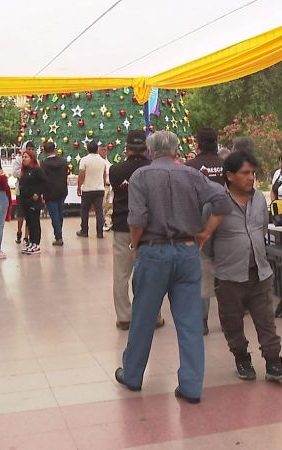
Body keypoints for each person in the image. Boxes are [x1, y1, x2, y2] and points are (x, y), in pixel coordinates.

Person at [115, 131, 231, 404]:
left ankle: (132, 375)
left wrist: (135, 246)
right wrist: (205, 233)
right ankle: (191, 386)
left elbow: (137, 219)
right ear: (176, 151)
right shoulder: (192, 175)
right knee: (190, 322)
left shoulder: (141, 177)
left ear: (150, 151)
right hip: (188, 252)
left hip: (153, 251)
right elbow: (223, 201)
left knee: (143, 318)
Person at [212, 151, 282, 382]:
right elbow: (206, 239)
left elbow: (262, 228)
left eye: (253, 173)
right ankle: (241, 358)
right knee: (232, 322)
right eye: (245, 173)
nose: (251, 178)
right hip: (229, 275)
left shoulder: (259, 199)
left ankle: (273, 362)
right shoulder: (217, 202)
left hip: (260, 272)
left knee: (266, 321)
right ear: (230, 175)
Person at [109, 130, 165, 331]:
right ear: (147, 149)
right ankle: (153, 316)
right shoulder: (155, 170)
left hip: (122, 227)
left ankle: (124, 317)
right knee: (151, 274)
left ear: (126, 149)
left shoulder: (115, 171)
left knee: (121, 274)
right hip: (149, 228)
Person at [186, 128, 225, 336]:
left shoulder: (189, 167)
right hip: (225, 225)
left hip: (200, 227)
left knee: (203, 272)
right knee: (226, 273)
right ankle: (227, 319)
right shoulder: (226, 165)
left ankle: (202, 321)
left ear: (198, 144)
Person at [19, 149, 47, 255]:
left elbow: (44, 182)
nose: (24, 159)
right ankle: (31, 242)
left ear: (32, 158)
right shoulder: (24, 171)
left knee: (35, 222)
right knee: (29, 222)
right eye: (23, 157)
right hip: (25, 200)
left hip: (34, 201)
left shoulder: (37, 170)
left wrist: (38, 193)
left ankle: (36, 244)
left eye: (26, 157)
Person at [76, 141, 107, 238]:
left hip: (87, 190)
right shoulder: (102, 161)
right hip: (99, 189)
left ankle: (84, 231)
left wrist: (79, 186)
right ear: (97, 149)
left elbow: (81, 175)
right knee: (99, 211)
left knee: (84, 211)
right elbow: (104, 175)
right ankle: (100, 232)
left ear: (87, 149)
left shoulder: (84, 160)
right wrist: (102, 185)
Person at [41, 142, 68, 246]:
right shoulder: (63, 162)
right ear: (55, 149)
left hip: (49, 193)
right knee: (60, 214)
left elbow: (43, 179)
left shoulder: (44, 164)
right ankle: (59, 233)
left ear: (44, 151)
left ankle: (58, 237)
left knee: (54, 216)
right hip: (62, 191)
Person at [13, 142, 31, 245]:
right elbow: (15, 173)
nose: (30, 151)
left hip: (31, 192)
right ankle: (19, 232)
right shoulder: (18, 160)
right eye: (28, 149)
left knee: (29, 215)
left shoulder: (35, 161)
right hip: (21, 191)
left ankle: (26, 236)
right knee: (20, 214)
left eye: (32, 149)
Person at [98, 145, 114, 232]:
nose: (104, 152)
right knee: (102, 206)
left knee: (110, 205)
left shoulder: (107, 161)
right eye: (102, 150)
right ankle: (102, 223)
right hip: (102, 186)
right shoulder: (98, 162)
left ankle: (112, 222)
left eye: (105, 150)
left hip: (110, 186)